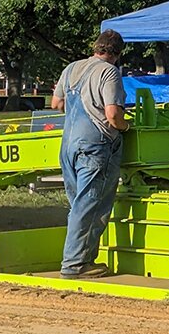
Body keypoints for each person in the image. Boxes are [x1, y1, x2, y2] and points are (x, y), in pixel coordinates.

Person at [50, 29, 128, 279]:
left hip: (69, 146)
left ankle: (81, 259)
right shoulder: (108, 72)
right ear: (117, 53)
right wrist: (126, 126)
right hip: (95, 147)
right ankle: (75, 265)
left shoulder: (72, 68)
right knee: (89, 205)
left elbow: (57, 103)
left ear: (96, 47)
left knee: (78, 206)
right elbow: (113, 114)